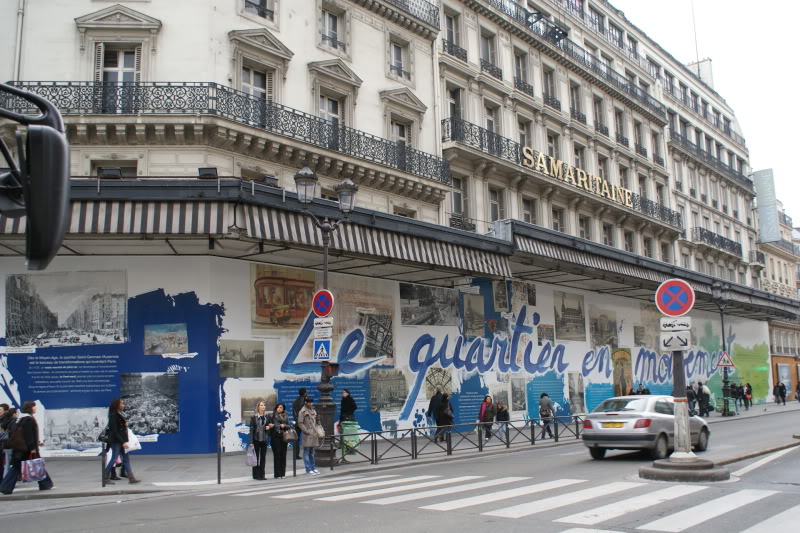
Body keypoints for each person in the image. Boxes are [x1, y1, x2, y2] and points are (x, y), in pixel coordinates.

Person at [0, 401, 54, 494]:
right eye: (34, 406)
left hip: (21, 447)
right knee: (22, 466)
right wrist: (32, 448)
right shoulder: (28, 419)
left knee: (33, 465)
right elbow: (28, 435)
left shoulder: (21, 418)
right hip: (26, 449)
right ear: (30, 408)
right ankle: (5, 487)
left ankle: (45, 483)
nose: (35, 408)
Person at [102, 398, 141, 485]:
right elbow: (115, 431)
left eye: (123, 403)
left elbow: (121, 429)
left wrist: (125, 425)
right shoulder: (113, 416)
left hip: (122, 440)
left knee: (126, 459)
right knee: (114, 458)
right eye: (122, 404)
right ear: (117, 405)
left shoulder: (120, 414)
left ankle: (131, 478)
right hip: (116, 441)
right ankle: (105, 477)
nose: (123, 405)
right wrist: (123, 442)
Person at [297, 396, 320, 475]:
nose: (311, 404)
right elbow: (300, 423)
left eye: (311, 402)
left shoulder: (313, 410)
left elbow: (315, 422)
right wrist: (306, 431)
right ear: (306, 403)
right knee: (306, 452)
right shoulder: (302, 411)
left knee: (312, 452)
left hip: (313, 433)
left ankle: (313, 468)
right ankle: (308, 469)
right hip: (307, 434)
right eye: (309, 402)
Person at [249, 401, 272, 480]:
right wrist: (251, 442)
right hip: (256, 439)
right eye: (261, 405)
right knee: (256, 458)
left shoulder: (267, 416)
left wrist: (269, 427)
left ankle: (262, 475)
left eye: (264, 405)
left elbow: (270, 425)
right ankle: (256, 475)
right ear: (258, 407)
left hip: (264, 440)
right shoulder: (254, 417)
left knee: (263, 458)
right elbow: (251, 430)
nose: (263, 406)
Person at [269, 403, 290, 479]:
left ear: (283, 409)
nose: (279, 408)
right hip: (275, 437)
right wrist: (273, 426)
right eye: (278, 407)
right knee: (277, 455)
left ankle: (282, 473)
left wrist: (284, 426)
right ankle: (277, 474)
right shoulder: (272, 416)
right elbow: (269, 425)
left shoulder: (286, 416)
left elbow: (289, 426)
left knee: (283, 455)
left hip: (283, 437)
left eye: (281, 407)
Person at [291, 388, 307, 460]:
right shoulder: (303, 401)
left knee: (296, 439)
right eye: (306, 392)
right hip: (302, 422)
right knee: (307, 437)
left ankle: (296, 454)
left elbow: (294, 412)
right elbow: (303, 412)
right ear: (304, 393)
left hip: (297, 422)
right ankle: (306, 454)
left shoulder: (295, 401)